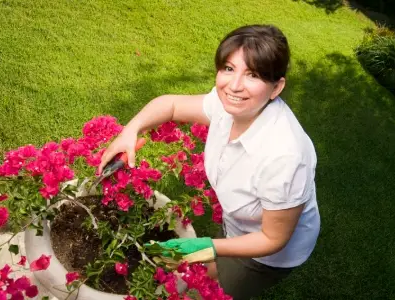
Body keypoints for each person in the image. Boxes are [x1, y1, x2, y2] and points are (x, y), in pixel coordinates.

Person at [99, 24, 320, 300]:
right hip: (239, 220)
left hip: (266, 254)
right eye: (229, 68)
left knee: (219, 290)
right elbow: (171, 105)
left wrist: (203, 246)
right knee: (211, 264)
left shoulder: (285, 158)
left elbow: (272, 239)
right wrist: (129, 132)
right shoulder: (228, 102)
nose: (234, 85)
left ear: (277, 87)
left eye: (252, 74)